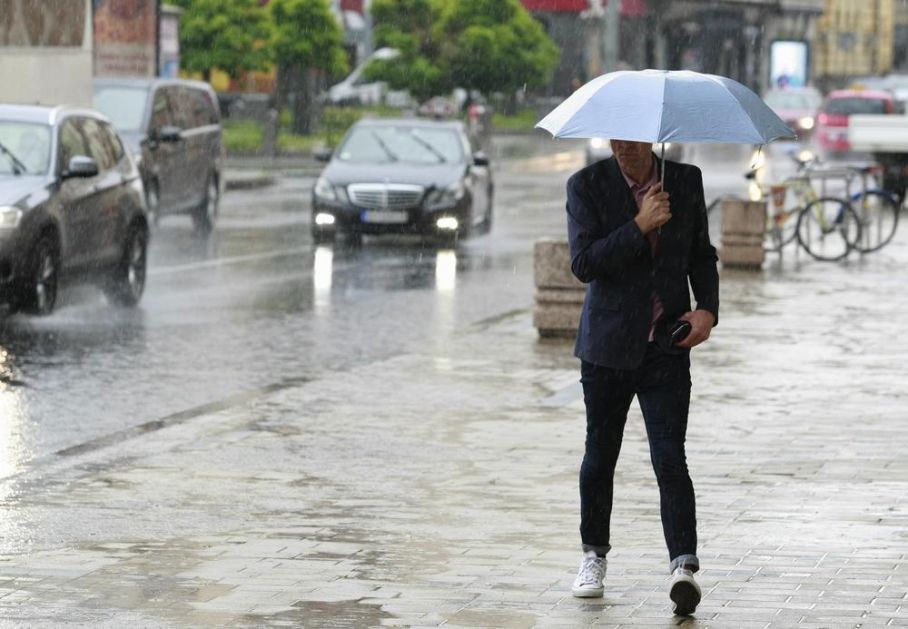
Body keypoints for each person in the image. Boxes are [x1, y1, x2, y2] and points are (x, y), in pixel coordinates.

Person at [564, 139, 719, 616]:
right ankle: (594, 556)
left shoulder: (685, 181)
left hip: (665, 347)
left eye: (630, 140)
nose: (622, 149)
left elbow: (700, 254)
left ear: (649, 137)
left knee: (670, 458)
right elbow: (584, 263)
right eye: (614, 141)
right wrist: (639, 225)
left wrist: (707, 311)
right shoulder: (586, 185)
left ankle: (684, 567)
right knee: (600, 455)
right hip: (607, 348)